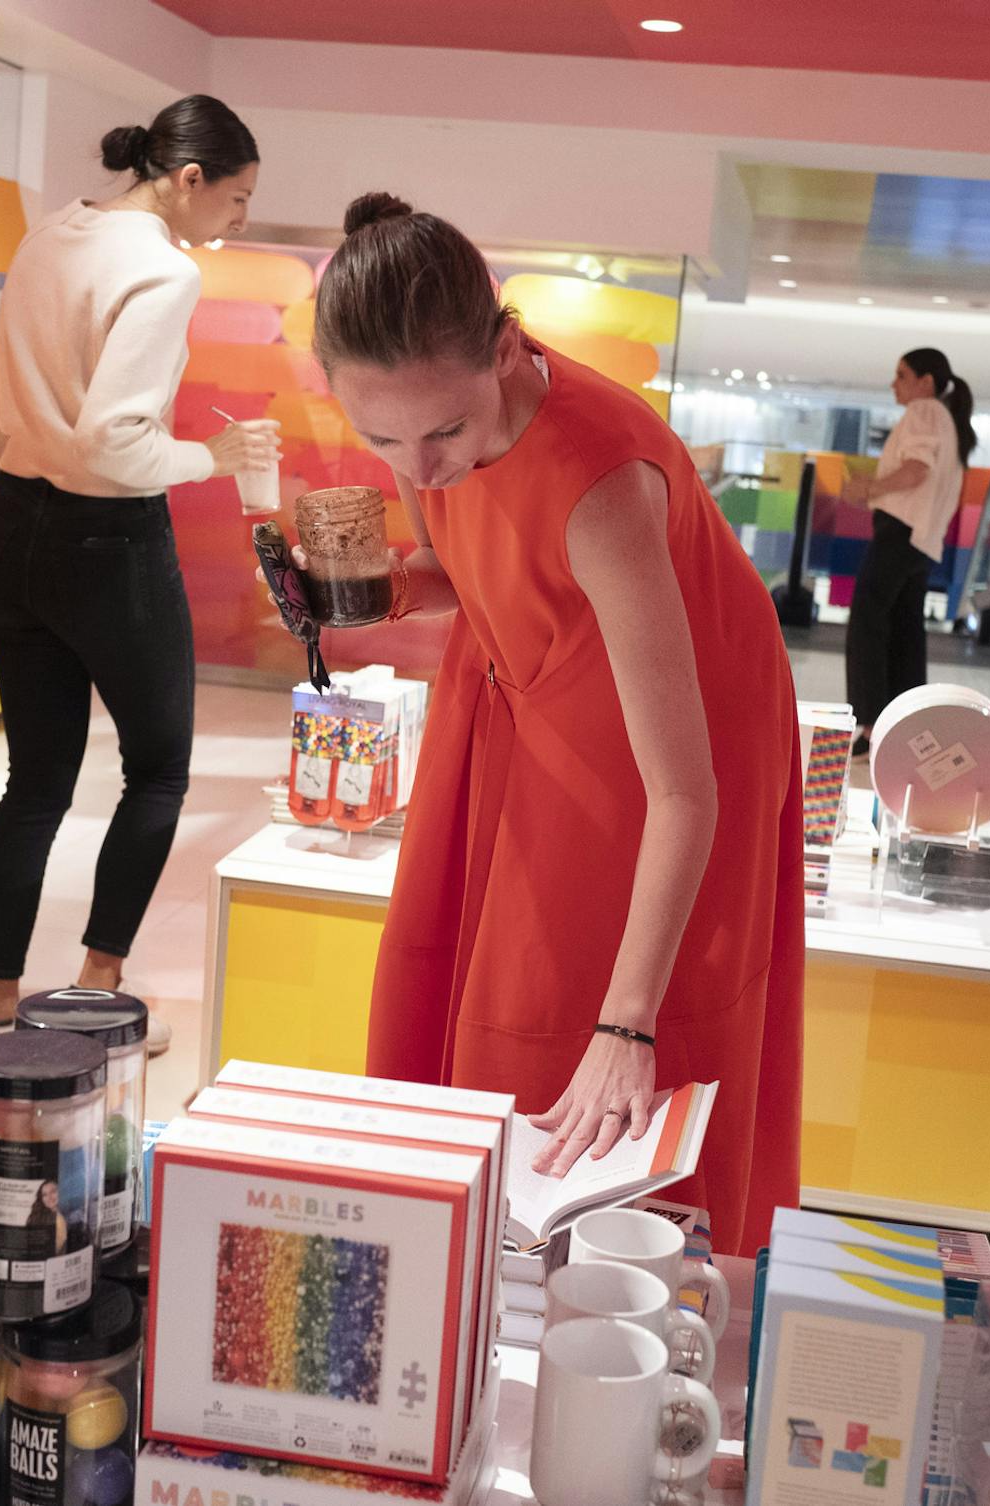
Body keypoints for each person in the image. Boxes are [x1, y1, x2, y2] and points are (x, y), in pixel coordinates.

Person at [298, 193, 804, 1256]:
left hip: (660, 743)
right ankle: (467, 1261)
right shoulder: (425, 413)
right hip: (522, 699)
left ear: (508, 349)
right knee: (469, 988)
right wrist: (371, 592)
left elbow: (685, 791)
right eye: (380, 434)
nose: (419, 464)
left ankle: (588, 1289)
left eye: (443, 430)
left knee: (573, 1015)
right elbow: (477, 563)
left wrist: (629, 1027)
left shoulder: (599, 482)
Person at [0, 96, 279, 1055]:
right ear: (187, 181)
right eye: (235, 200)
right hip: (108, 544)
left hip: (12, 526)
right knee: (158, 773)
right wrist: (210, 463)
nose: (237, 220)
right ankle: (98, 990)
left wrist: (25, 498)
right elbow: (114, 441)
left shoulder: (48, 236)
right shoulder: (161, 269)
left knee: (34, 783)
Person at [841, 348, 976, 753]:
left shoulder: (925, 411)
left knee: (868, 621)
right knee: (904, 629)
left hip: (901, 532)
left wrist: (870, 488)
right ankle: (903, 725)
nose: (893, 383)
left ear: (926, 382)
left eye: (901, 375)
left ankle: (868, 725)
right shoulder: (946, 420)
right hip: (921, 540)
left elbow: (917, 467)